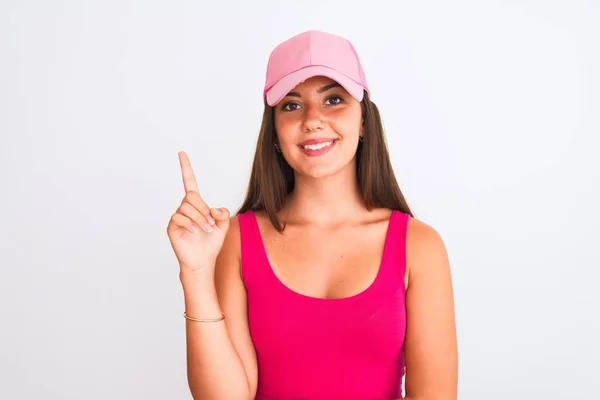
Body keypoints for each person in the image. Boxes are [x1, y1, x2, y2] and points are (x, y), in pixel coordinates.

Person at [167, 30, 458, 400]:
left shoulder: (419, 245)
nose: (313, 120)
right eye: (291, 105)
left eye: (333, 100)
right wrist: (195, 275)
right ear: (273, 129)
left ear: (364, 120)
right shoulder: (238, 240)